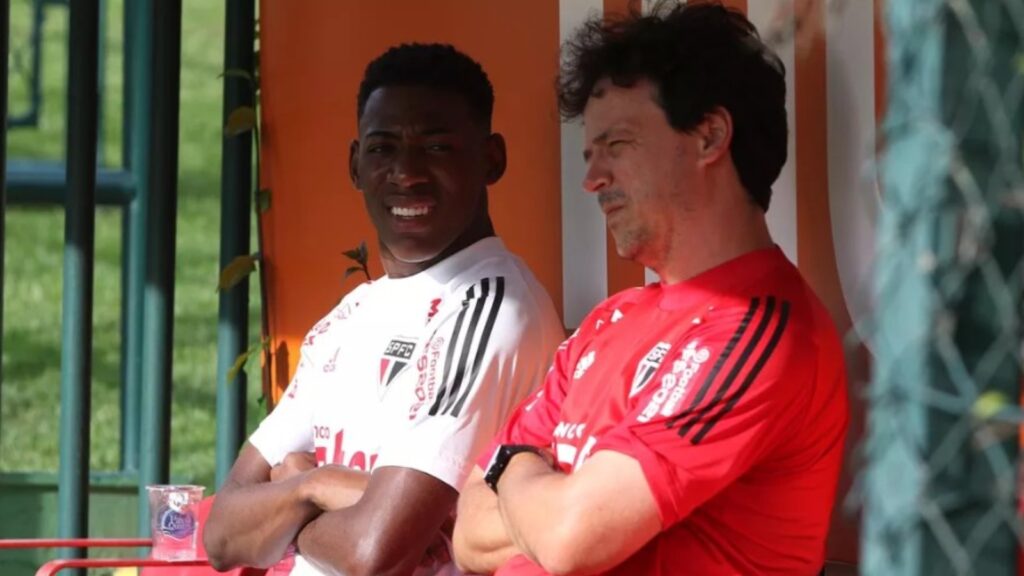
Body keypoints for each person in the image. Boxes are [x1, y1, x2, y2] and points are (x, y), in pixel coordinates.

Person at [452, 2, 849, 575]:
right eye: (590, 155)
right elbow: (467, 533)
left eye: (617, 146)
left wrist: (513, 463)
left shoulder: (760, 329)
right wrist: (543, 494)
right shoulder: (609, 321)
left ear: (710, 136)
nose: (592, 179)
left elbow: (570, 540)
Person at [204, 43, 565, 576]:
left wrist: (297, 491)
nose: (407, 173)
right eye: (383, 148)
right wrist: (315, 486)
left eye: (437, 148)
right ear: (355, 165)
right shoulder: (352, 314)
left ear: (492, 160)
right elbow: (223, 533)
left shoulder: (492, 309)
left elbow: (375, 552)